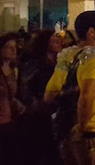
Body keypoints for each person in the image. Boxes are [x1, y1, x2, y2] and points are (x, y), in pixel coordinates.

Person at [44, 11, 95, 165]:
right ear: (91, 32)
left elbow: (49, 95)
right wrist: (82, 127)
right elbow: (88, 93)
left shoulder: (67, 55)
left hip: (66, 131)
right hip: (91, 132)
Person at [18, 30, 63, 165]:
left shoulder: (59, 63)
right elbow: (26, 88)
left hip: (56, 111)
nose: (58, 43)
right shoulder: (35, 64)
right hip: (39, 113)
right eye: (54, 41)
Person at [0, 34, 25, 164]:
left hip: (8, 122)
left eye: (14, 47)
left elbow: (10, 96)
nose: (13, 50)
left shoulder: (13, 70)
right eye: (8, 47)